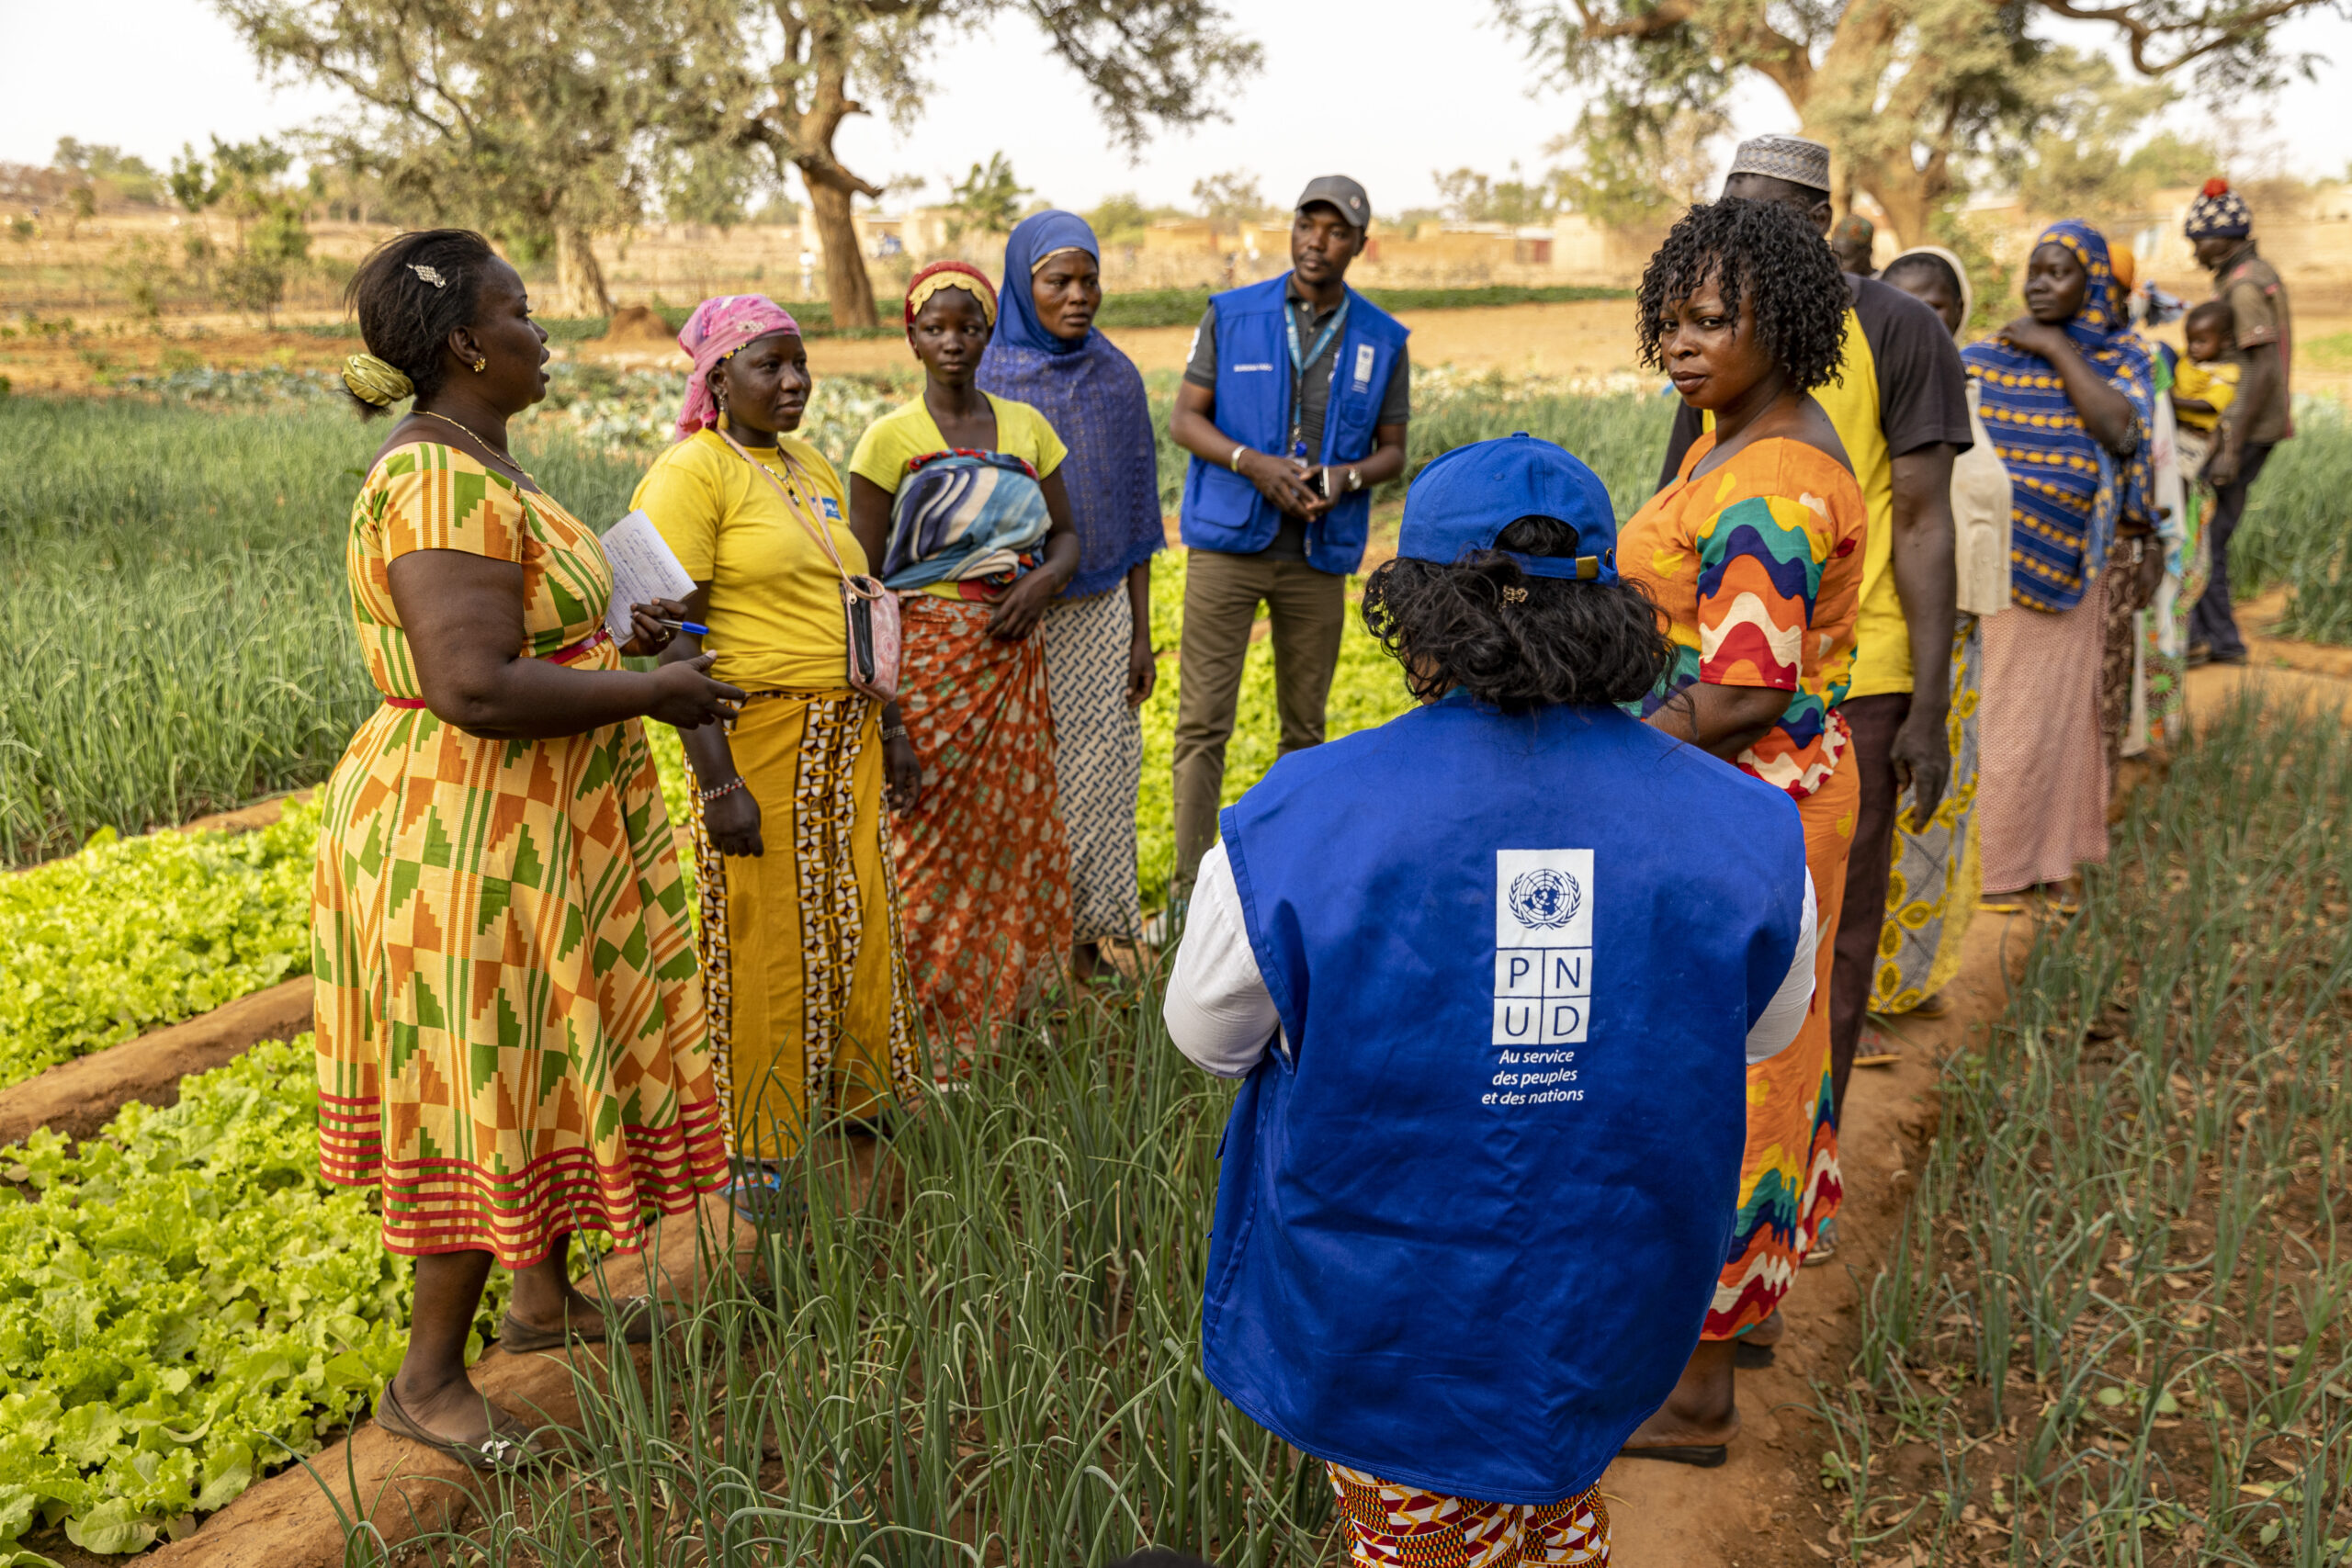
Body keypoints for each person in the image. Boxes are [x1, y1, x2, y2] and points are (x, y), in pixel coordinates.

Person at [1163, 433, 1820, 1563]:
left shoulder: (1300, 813)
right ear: (1611, 605)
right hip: (1610, 1302)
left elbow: (1210, 1036)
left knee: (1425, 1531)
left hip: (1384, 1319)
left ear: (1413, 606)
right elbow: (1764, 1026)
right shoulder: (1748, 824)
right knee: (1546, 1502)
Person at [314, 231, 740, 1469]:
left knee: (544, 1047)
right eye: (522, 309)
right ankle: (429, 1378)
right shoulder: (438, 482)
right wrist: (655, 690)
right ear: (465, 345)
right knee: (481, 1074)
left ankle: (544, 1304)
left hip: (524, 828)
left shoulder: (479, 464)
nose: (543, 328)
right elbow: (474, 686)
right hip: (467, 834)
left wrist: (617, 638)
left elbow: (528, 640)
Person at [1660, 134, 1972, 1176]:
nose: (1742, 231)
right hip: (1737, 689)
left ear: (1819, 220)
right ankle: (1764, 1201)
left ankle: (1780, 1202)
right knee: (1760, 966)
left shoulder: (1898, 329)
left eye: (1769, 215)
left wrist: (1930, 702)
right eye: (1729, 209)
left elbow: (1925, 522)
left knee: (1823, 954)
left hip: (1836, 676)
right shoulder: (1725, 353)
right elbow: (1683, 509)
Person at [1617, 196, 1865, 1458]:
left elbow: (1745, 686)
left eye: (1716, 318)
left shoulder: (1769, 475)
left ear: (1789, 321)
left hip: (1746, 798)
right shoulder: (1752, 434)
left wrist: (1597, 750)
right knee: (1765, 1044)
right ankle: (1741, 1315)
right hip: (1772, 794)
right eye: (1673, 314)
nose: (1684, 338)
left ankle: (1698, 1386)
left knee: (1724, 1066)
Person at [630, 294, 922, 1185]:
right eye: (771, 366)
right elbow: (676, 638)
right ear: (718, 378)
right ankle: (765, 1143)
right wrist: (717, 784)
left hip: (844, 735)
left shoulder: (806, 464)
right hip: (757, 731)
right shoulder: (693, 473)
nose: (794, 382)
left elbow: (851, 600)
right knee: (767, 936)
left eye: (800, 364)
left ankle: (862, 1101)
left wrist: (894, 725)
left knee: (855, 916)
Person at [848, 262, 1081, 1056]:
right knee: (923, 843)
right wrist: (889, 718)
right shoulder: (889, 441)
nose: (953, 341)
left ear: (989, 333)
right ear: (911, 336)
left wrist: (1043, 583)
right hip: (926, 667)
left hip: (1011, 659)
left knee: (1009, 835)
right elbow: (866, 581)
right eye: (935, 327)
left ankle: (1007, 1014)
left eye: (968, 325)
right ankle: (924, 1025)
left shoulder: (1027, 429)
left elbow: (1067, 536)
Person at [1164, 175, 1411, 910]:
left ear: (1359, 246)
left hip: (1317, 551)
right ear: (1291, 229)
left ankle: (1284, 888)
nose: (1318, 241)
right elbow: (1185, 419)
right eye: (1309, 224)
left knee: (1305, 728)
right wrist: (1254, 463)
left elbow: (1393, 451)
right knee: (1204, 721)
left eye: (1337, 232)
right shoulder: (1231, 314)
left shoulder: (1382, 338)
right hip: (1228, 548)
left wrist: (1343, 478)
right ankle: (1186, 892)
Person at [977, 211, 1164, 980]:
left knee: (1099, 780)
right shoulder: (986, 380)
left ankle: (1088, 947)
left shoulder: (1114, 378)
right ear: (1024, 286)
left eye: (1089, 279)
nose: (1079, 295)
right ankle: (1027, 956)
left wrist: (1142, 633)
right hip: (1009, 619)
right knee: (1021, 785)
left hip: (1097, 615)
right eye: (1059, 281)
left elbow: (1137, 516)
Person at [1964, 221, 2156, 900]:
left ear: (2094, 283)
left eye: (2060, 272)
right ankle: (1993, 871)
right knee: (2004, 721)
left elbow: (2122, 430)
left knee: (2061, 725)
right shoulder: (1988, 357)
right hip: (1989, 573)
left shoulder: (2125, 358)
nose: (2041, 283)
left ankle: (2051, 857)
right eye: (2035, 270)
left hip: (2075, 571)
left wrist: (2055, 348)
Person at [1869, 247, 2012, 1015]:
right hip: (1890, 633)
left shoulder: (1967, 393)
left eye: (1939, 304)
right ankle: (1867, 991)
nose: (1923, 319)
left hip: (1956, 640)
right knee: (1877, 817)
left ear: (1960, 310)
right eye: (1905, 303)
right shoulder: (1868, 395)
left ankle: (1910, 979)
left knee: (1938, 811)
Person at [2185, 178, 2295, 668]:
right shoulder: (2249, 272)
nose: (2194, 252)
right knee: (2214, 531)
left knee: (2205, 534)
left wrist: (2231, 445)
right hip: (2248, 429)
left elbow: (2263, 367)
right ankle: (2217, 639)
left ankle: (2210, 640)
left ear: (2225, 236)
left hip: (2246, 431)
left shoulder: (2244, 285)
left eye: (2199, 241)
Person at [1830, 212, 1877, 276]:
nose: (1837, 266)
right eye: (1834, 258)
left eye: (1845, 259)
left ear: (1867, 253)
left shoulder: (1883, 283)